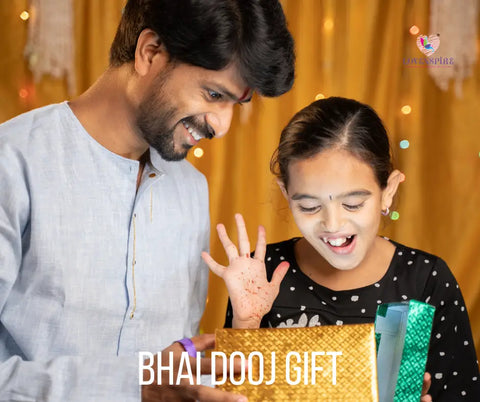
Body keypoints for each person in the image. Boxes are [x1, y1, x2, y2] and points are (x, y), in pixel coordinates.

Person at [0, 0, 295, 400]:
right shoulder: (14, 162)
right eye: (212, 94)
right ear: (149, 52)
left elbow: (177, 366)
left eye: (235, 105)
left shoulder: (191, 189)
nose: (221, 125)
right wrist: (135, 386)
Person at [203, 97, 480, 401]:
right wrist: (246, 323)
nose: (332, 224)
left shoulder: (425, 279)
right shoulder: (263, 273)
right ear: (286, 193)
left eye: (353, 204)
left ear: (388, 191)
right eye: (309, 206)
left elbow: (460, 392)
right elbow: (231, 394)